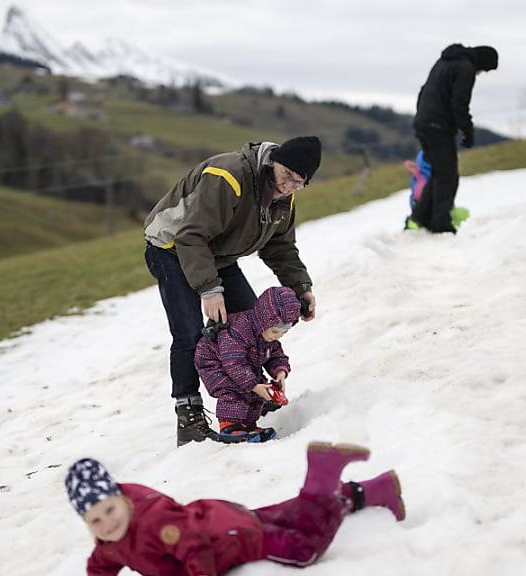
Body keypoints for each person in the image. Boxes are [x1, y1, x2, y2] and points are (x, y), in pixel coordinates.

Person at [143, 137, 322, 446]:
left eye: (299, 183)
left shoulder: (283, 197)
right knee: (190, 334)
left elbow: (280, 247)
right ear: (273, 163)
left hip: (216, 254)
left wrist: (300, 287)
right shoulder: (228, 177)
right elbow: (192, 235)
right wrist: (210, 290)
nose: (289, 186)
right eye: (287, 177)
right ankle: (190, 418)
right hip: (172, 248)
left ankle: (245, 403)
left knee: (254, 324)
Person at [65, 442, 405, 576]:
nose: (106, 523)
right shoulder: (110, 541)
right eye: (95, 520)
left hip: (236, 538)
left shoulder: (154, 522)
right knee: (292, 514)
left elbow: (195, 549)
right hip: (223, 517)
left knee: (303, 548)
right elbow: (100, 565)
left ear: (122, 500)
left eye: (109, 511)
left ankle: (323, 476)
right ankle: (376, 490)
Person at [194, 286, 301, 443]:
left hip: (240, 365)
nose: (277, 337)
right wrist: (253, 384)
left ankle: (248, 425)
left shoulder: (268, 337)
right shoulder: (239, 330)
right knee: (234, 389)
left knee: (257, 390)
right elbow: (233, 362)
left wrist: (280, 372)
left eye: (283, 333)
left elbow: (276, 355)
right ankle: (229, 426)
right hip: (215, 362)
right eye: (275, 332)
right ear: (264, 321)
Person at [409, 44, 499, 233]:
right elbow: (459, 102)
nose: (481, 73)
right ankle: (440, 223)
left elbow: (423, 90)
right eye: (485, 70)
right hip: (438, 126)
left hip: (423, 122)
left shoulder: (444, 61)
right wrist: (467, 130)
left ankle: (420, 217)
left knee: (438, 172)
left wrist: (424, 117)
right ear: (482, 62)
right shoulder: (465, 68)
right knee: (448, 176)